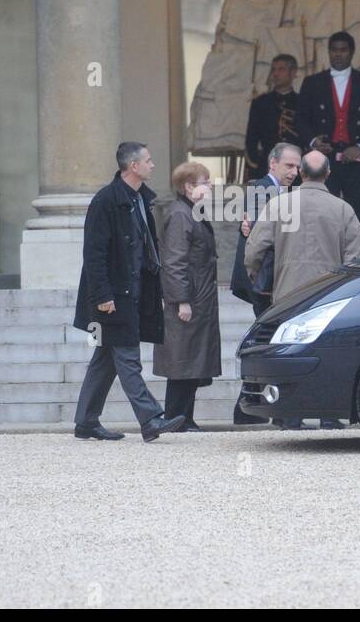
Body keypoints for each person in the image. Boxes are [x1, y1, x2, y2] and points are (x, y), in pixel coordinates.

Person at [71, 142, 184, 442]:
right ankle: (150, 419)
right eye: (148, 160)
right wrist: (103, 296)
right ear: (133, 166)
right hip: (113, 297)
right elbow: (93, 255)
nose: (153, 165)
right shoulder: (105, 201)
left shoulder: (140, 200)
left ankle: (85, 422)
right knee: (127, 358)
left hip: (132, 294)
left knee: (104, 361)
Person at [246, 150, 360, 431]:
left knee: (288, 352)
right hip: (330, 295)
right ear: (328, 173)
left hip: (287, 292)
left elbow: (254, 249)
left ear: (301, 173)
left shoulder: (278, 205)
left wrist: (259, 282)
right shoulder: (342, 209)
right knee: (330, 352)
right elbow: (357, 257)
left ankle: (290, 415)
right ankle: (328, 413)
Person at [294, 31, 360, 251]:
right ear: (329, 52)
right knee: (322, 214)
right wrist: (313, 141)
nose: (338, 54)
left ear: (352, 52)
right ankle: (324, 265)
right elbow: (300, 118)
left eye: (343, 49)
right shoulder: (312, 83)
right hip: (324, 160)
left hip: (359, 160)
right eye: (334, 49)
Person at [230, 142, 301, 425]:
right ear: (273, 164)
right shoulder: (261, 189)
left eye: (297, 166)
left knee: (270, 343)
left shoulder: (283, 192)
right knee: (272, 345)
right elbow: (264, 238)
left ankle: (252, 410)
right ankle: (259, 410)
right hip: (264, 284)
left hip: (271, 283)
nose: (294, 172)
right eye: (288, 166)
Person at [153, 162, 220, 433]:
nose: (210, 185)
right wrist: (181, 300)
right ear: (189, 186)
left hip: (199, 297)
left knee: (191, 359)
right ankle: (176, 416)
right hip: (188, 299)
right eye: (205, 181)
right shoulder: (181, 215)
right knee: (182, 360)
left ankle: (184, 417)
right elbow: (174, 261)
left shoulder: (191, 212)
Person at [244, 55, 302, 181]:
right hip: (267, 167)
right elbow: (251, 139)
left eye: (281, 69)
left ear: (293, 73)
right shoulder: (260, 103)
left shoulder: (303, 102)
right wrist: (254, 168)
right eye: (273, 70)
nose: (275, 74)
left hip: (297, 169)